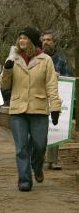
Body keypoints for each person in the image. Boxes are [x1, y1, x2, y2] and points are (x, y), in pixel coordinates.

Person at [0, 26, 61, 192]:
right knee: (21, 147)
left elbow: (51, 86)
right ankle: (25, 179)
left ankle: (37, 165)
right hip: (18, 109)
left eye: (25, 38)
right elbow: (4, 84)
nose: (21, 41)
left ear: (33, 41)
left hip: (38, 108)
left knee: (40, 145)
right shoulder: (14, 58)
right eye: (20, 38)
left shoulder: (45, 60)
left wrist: (55, 107)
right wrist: (7, 67)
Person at [42, 30, 72, 170]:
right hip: (39, 99)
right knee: (39, 130)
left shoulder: (61, 60)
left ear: (54, 43)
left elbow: (68, 80)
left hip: (55, 99)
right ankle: (38, 158)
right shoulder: (38, 58)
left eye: (48, 40)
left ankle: (52, 161)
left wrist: (59, 76)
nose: (45, 42)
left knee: (54, 128)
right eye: (44, 40)